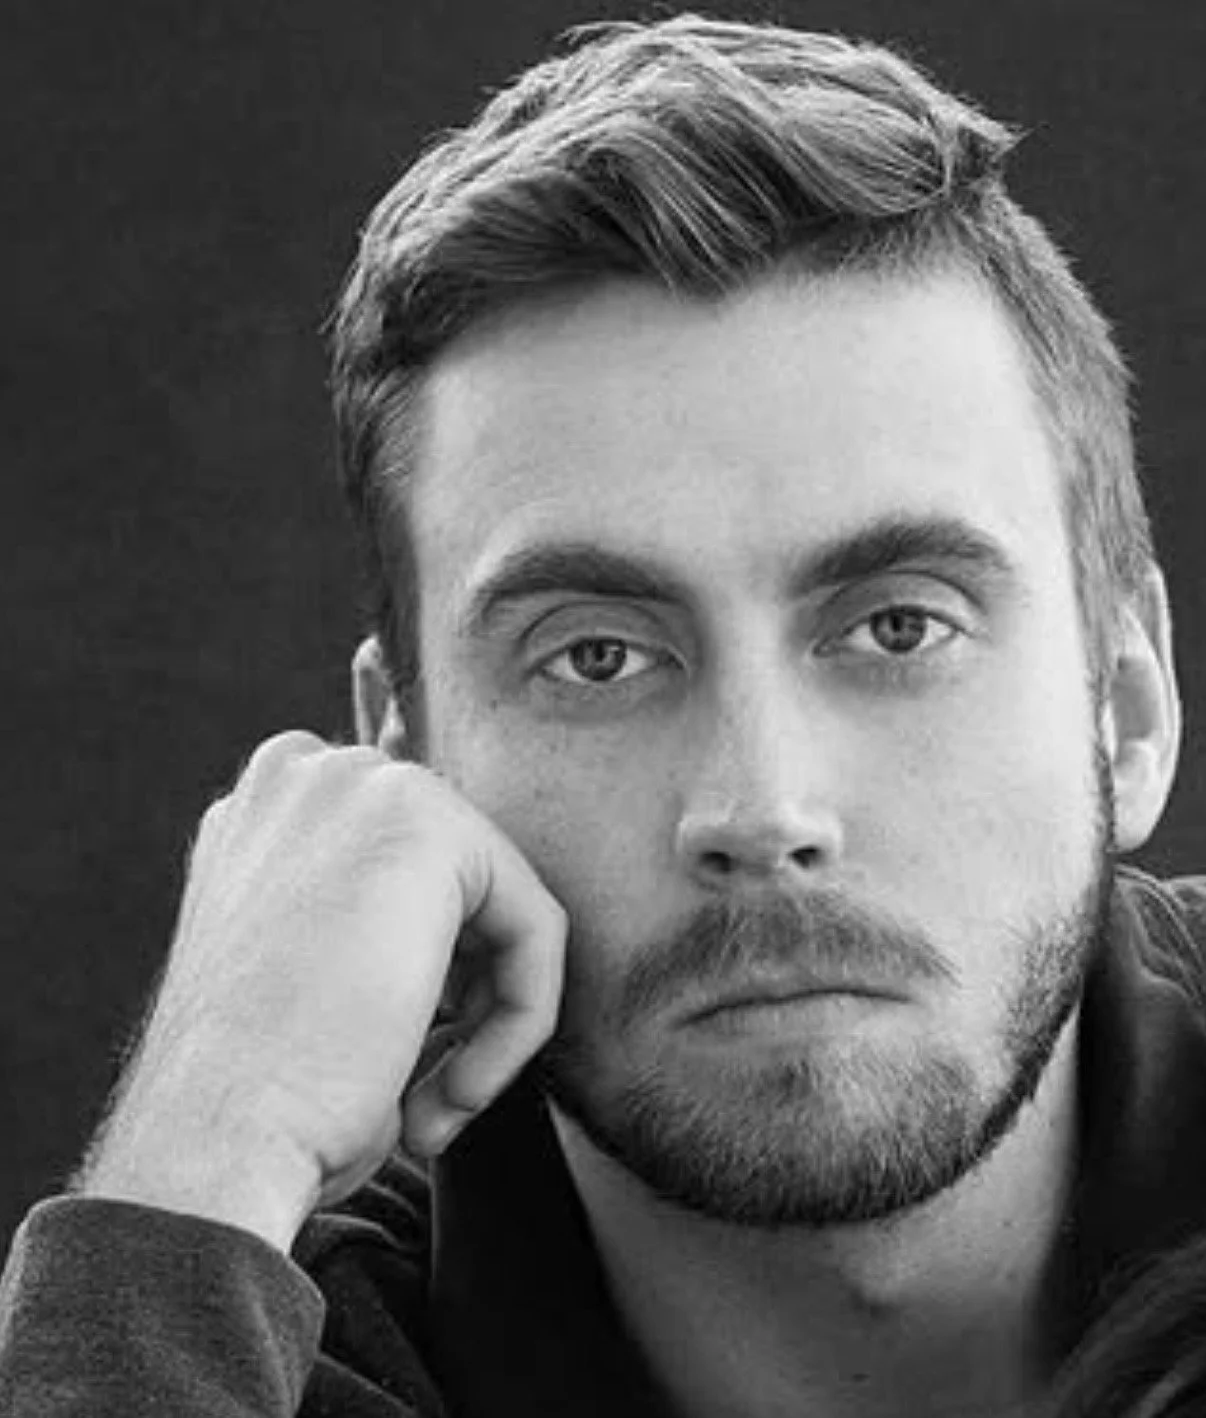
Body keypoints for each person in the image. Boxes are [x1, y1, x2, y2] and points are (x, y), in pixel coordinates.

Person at [1, 11, 1203, 1417]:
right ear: (408, 759)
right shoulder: (225, 1356)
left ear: (1121, 706)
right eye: (595, 658)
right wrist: (192, 1171)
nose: (760, 808)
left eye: (897, 626)